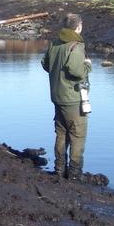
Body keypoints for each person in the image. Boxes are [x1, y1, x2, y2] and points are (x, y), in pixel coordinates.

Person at [41, 13, 92, 179]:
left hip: (57, 97)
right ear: (78, 27)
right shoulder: (76, 46)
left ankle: (59, 169)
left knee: (61, 133)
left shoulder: (54, 43)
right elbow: (76, 71)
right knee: (77, 135)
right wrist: (88, 67)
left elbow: (45, 64)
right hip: (73, 99)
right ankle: (75, 174)